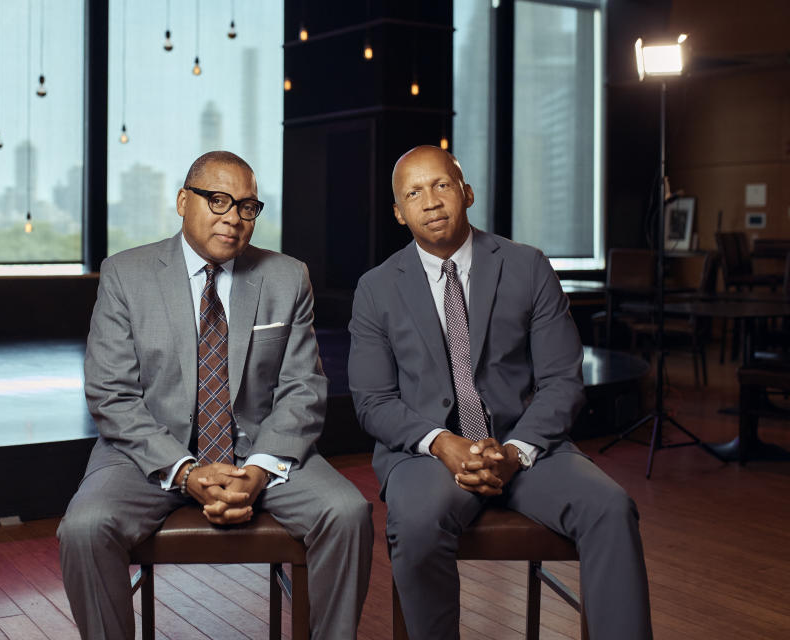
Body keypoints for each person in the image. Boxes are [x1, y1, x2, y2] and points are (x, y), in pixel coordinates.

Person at [59, 150, 373, 639]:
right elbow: (111, 394)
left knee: (347, 512)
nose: (233, 218)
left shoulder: (287, 277)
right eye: (218, 200)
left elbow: (303, 388)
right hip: (145, 457)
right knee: (84, 527)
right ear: (184, 201)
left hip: (260, 452)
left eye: (247, 207)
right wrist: (185, 470)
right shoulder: (125, 274)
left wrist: (258, 469)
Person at [348, 145, 652, 640]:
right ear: (398, 213)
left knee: (610, 508)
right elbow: (373, 401)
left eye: (442, 185)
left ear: (466, 192)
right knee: (419, 524)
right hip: (426, 455)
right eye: (413, 192)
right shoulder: (376, 289)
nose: (430, 201)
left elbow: (562, 381)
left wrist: (514, 450)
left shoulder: (528, 266)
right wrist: (445, 444)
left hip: (527, 447)